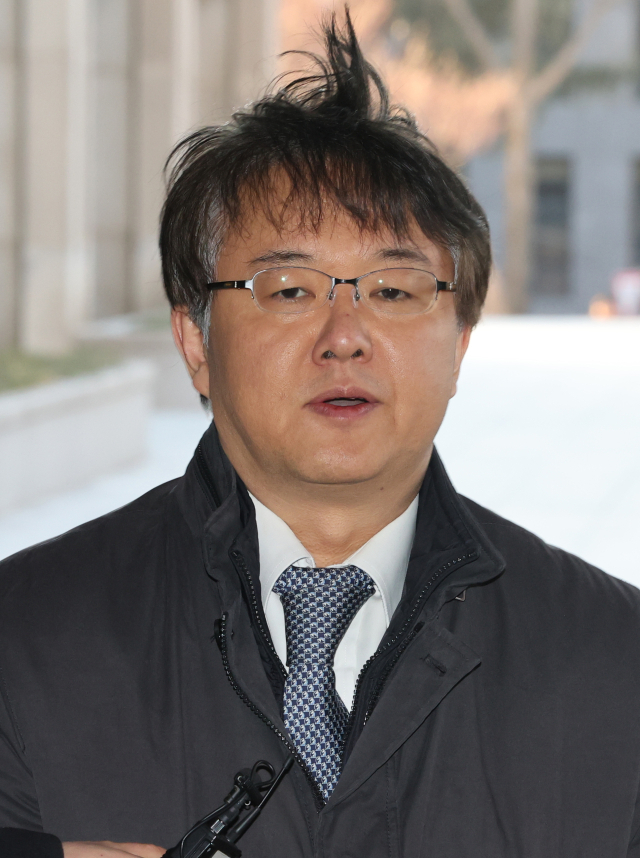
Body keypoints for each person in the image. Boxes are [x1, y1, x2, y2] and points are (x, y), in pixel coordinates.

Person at [2, 13, 640, 858]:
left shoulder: (616, 659)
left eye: (396, 291)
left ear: (459, 344)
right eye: (290, 290)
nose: (345, 337)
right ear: (194, 343)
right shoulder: (23, 635)